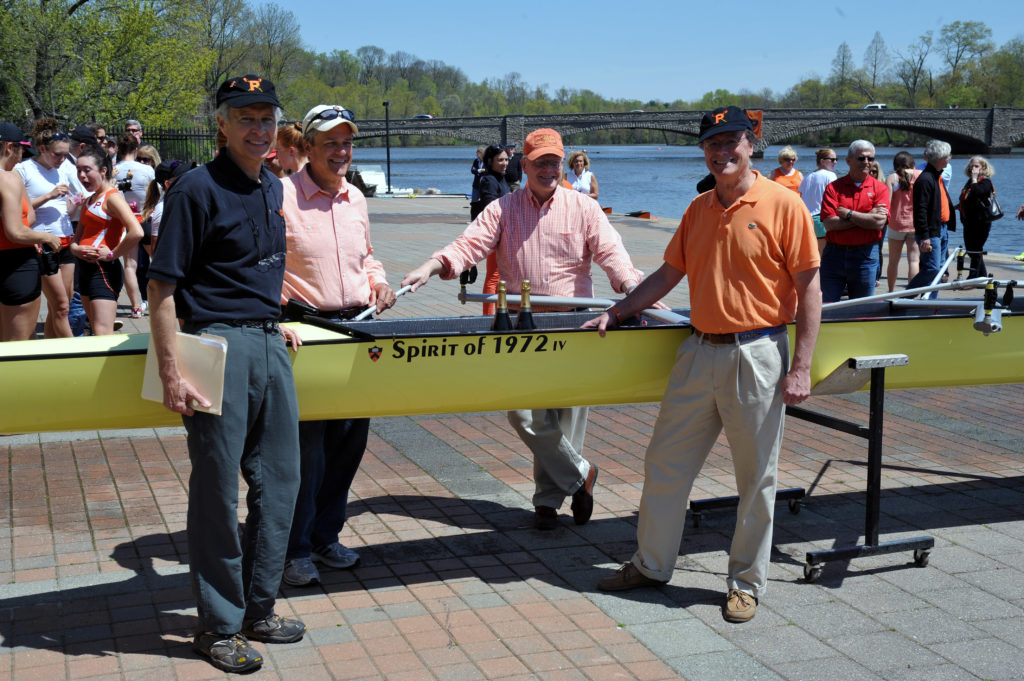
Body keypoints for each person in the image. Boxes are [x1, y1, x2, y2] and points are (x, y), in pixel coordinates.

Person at [587, 105, 820, 625]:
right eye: (712, 144)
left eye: (731, 141)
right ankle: (650, 565)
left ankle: (744, 584)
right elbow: (668, 274)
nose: (722, 152)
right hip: (697, 351)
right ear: (704, 152)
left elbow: (810, 292)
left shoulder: (785, 205)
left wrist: (800, 367)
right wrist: (618, 310)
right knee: (664, 465)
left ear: (751, 144)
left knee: (756, 479)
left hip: (757, 353)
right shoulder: (697, 209)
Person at [402, 128, 644, 531]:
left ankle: (548, 501)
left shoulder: (583, 208)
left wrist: (634, 289)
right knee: (525, 413)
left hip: (574, 321)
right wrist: (431, 267)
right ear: (525, 166)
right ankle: (580, 476)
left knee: (567, 416)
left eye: (555, 162)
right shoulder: (503, 208)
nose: (549, 169)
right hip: (523, 324)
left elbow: (612, 254)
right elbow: (468, 246)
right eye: (540, 162)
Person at [147, 74, 305, 674]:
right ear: (221, 123)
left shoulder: (272, 185)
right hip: (214, 346)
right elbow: (164, 287)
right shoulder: (195, 189)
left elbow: (256, 269)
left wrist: (277, 316)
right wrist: (170, 369)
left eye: (266, 118)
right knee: (217, 492)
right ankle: (218, 625)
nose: (259, 129)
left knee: (283, 481)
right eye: (246, 118)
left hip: (268, 342)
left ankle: (258, 608)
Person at [278, 104, 397, 587]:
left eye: (346, 143)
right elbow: (264, 265)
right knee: (307, 453)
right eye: (330, 143)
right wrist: (273, 315)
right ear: (307, 148)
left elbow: (365, 256)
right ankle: (294, 548)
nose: (341, 152)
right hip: (304, 334)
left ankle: (326, 536)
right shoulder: (280, 195)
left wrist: (379, 282)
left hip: (356, 330)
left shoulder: (356, 199)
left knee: (349, 444)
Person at [70, 146, 143, 335]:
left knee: (103, 332)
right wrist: (76, 250)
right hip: (84, 269)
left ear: (103, 171)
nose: (82, 176)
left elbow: (137, 231)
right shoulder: (89, 199)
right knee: (94, 328)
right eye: (78, 170)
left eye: (87, 170)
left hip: (103, 272)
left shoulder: (112, 198)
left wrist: (112, 254)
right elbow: (76, 240)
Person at [16, 118, 79, 338]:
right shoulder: (23, 169)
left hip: (65, 238)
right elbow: (18, 208)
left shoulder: (61, 170)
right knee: (61, 306)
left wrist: (75, 203)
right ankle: (75, 354)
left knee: (62, 304)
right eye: (57, 154)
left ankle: (53, 351)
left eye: (65, 154)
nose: (62, 159)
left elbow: (64, 207)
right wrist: (49, 195)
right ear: (42, 149)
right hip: (44, 241)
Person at [1, 122, 60, 341]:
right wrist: (46, 237)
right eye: (21, 151)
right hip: (16, 264)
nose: (21, 157)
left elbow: (29, 215)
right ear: (9, 147)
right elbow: (15, 231)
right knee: (18, 347)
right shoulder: (9, 178)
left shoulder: (13, 175)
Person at [818, 140, 890, 302]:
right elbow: (830, 225)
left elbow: (879, 223)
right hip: (834, 255)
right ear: (848, 161)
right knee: (827, 307)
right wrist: (867, 215)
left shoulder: (880, 188)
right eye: (861, 158)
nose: (866, 162)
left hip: (865, 256)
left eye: (870, 159)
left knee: (861, 308)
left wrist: (849, 214)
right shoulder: (834, 188)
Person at [113, 133, 155, 318]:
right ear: (135, 150)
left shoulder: (113, 170)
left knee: (130, 265)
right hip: (145, 218)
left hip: (125, 222)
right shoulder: (146, 170)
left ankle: (136, 306)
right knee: (158, 260)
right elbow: (156, 193)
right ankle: (164, 299)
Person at [908, 140, 955, 296]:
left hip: (941, 228)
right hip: (931, 232)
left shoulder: (936, 176)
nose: (950, 158)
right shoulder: (926, 179)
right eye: (948, 155)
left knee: (940, 270)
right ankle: (907, 295)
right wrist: (925, 236)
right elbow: (920, 210)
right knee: (932, 268)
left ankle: (930, 302)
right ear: (941, 158)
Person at [473, 145, 512, 316]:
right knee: (494, 276)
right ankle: (488, 317)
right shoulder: (489, 180)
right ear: (490, 161)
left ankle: (499, 312)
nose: (505, 163)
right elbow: (490, 207)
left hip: (505, 232)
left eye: (506, 159)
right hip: (496, 233)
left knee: (500, 276)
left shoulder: (501, 178)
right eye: (500, 160)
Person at [140, 159, 193, 257]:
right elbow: (156, 253)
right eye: (182, 178)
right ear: (168, 184)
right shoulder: (163, 209)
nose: (189, 180)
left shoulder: (184, 203)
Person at [885, 152, 922, 292]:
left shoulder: (892, 178)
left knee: (893, 261)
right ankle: (912, 293)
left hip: (896, 224)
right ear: (912, 163)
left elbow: (887, 202)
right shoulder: (920, 175)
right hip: (914, 224)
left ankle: (890, 291)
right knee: (914, 260)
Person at [957, 156, 997, 279]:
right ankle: (982, 276)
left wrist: (974, 179)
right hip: (969, 221)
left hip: (981, 222)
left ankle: (973, 277)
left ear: (983, 168)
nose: (972, 169)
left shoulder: (985, 181)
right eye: (971, 166)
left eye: (976, 166)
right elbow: (968, 197)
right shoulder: (970, 182)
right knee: (972, 249)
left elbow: (977, 192)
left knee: (975, 249)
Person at [798, 148, 839, 256]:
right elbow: (836, 198)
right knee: (825, 256)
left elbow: (801, 196)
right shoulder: (830, 176)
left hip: (806, 219)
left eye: (836, 159)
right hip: (821, 219)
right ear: (822, 161)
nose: (835, 162)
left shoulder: (807, 176)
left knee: (812, 255)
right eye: (832, 159)